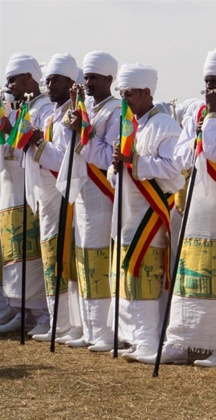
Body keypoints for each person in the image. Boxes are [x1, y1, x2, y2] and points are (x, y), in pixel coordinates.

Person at [140, 47, 216, 367]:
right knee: (191, 271)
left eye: (215, 82)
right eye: (206, 82)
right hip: (197, 205)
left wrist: (213, 117)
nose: (209, 88)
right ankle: (180, 341)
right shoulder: (198, 113)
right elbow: (181, 157)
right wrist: (201, 135)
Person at [44, 51, 121, 352]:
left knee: (98, 260)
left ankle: (105, 331)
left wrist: (83, 131)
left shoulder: (115, 111)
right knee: (83, 261)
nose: (88, 83)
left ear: (109, 79)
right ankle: (88, 328)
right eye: (86, 77)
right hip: (84, 195)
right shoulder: (85, 107)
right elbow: (69, 144)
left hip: (102, 194)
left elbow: (107, 156)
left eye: (94, 78)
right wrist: (75, 116)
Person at [110, 63, 183, 362]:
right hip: (128, 210)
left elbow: (175, 170)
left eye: (129, 94)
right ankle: (135, 337)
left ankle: (150, 340)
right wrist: (118, 166)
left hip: (152, 213)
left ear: (146, 92)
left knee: (146, 274)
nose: (124, 100)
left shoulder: (165, 125)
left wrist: (135, 161)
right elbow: (120, 170)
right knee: (129, 276)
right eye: (122, 94)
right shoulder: (128, 125)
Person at [28, 53, 82, 342]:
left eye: (55, 80)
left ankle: (65, 323)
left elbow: (64, 161)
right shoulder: (51, 115)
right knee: (50, 256)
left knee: (61, 257)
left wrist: (37, 142)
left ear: (70, 83)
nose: (49, 86)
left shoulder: (69, 116)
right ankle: (57, 321)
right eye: (47, 80)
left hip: (62, 195)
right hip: (46, 195)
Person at [0, 53, 52, 335]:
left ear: (28, 78)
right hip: (11, 193)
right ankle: (21, 310)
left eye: (13, 80)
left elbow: (36, 149)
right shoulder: (20, 108)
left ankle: (42, 314)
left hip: (31, 191)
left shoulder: (44, 109)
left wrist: (10, 129)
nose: (9, 86)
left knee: (33, 259)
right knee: (15, 257)